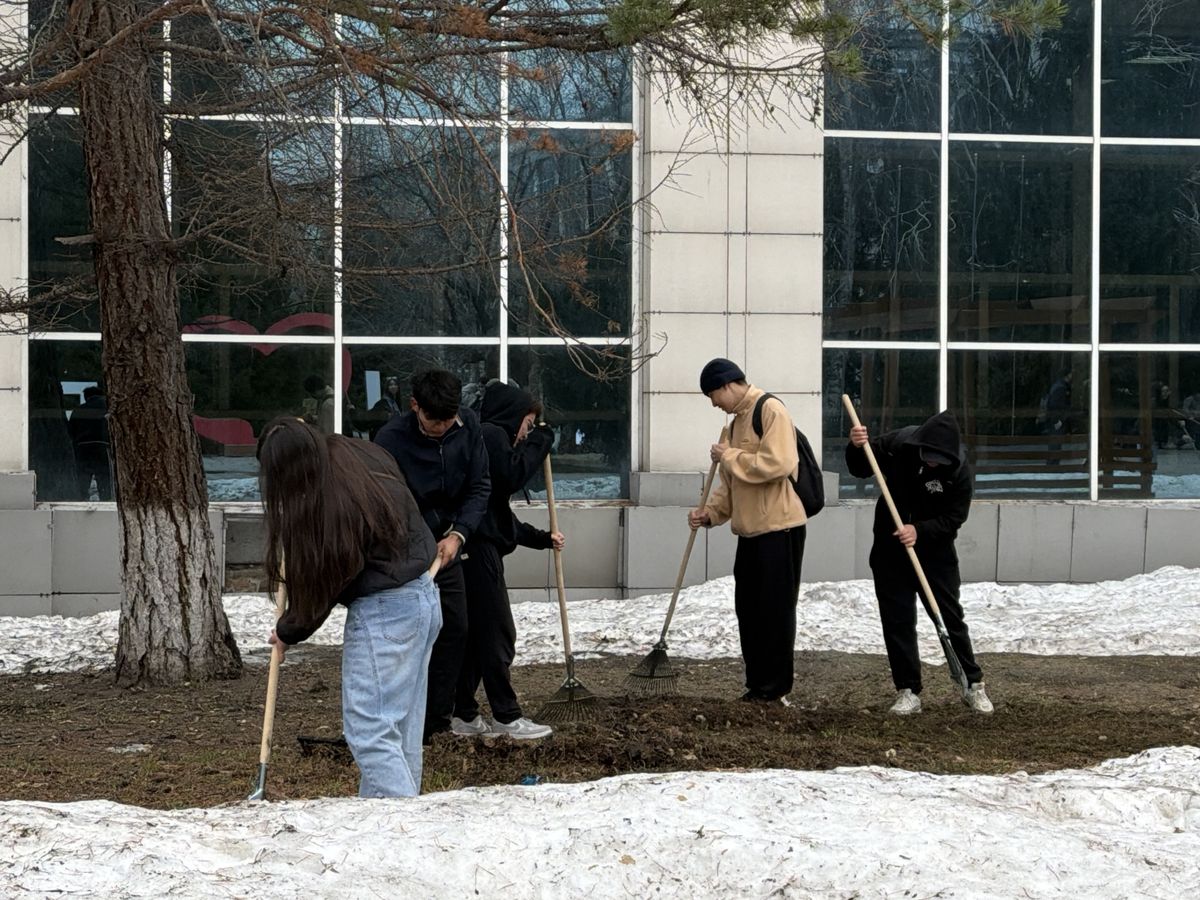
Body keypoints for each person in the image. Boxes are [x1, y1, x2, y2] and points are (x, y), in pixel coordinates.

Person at [258, 417, 441, 797]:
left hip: (386, 614)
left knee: (370, 730)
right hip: (422, 597)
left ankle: (407, 823)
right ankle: (388, 821)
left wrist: (290, 630)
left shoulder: (330, 504)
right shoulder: (357, 453)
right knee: (399, 730)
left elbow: (327, 582)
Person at [845, 410, 993, 716]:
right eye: (928, 458)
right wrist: (856, 447)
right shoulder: (899, 444)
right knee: (897, 620)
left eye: (939, 461)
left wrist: (920, 530)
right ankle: (908, 690)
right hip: (890, 549)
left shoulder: (959, 471)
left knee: (949, 617)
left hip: (935, 554)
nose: (932, 464)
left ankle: (972, 683)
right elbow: (861, 468)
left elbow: (954, 518)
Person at [375, 369, 491, 743]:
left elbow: (479, 486)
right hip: (406, 547)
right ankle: (395, 716)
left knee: (455, 628)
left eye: (447, 420)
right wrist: (420, 541)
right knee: (408, 633)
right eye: (432, 421)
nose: (441, 428)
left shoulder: (468, 427)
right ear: (415, 406)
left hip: (449, 544)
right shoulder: (390, 440)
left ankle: (437, 722)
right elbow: (387, 501)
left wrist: (458, 534)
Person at [687, 358, 806, 705]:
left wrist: (730, 456)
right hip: (750, 531)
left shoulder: (770, 410)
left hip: (779, 528)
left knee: (775, 609)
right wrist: (710, 514)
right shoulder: (734, 425)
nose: (714, 404)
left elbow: (779, 463)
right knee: (749, 610)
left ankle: (775, 688)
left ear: (727, 385)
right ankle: (757, 685)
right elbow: (731, 485)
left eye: (713, 395)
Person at [451, 381, 563, 740]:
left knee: (476, 637)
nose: (526, 433)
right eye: (527, 424)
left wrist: (542, 539)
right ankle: (506, 716)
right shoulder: (492, 434)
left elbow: (499, 517)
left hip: (473, 547)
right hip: (477, 550)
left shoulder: (484, 439)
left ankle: (462, 713)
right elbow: (512, 475)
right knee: (497, 633)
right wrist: (542, 440)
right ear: (514, 416)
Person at [68, 385, 113, 500]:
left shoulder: (78, 410)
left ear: (86, 397)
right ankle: (107, 501)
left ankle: (81, 500)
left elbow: (71, 431)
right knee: (104, 479)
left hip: (82, 447)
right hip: (102, 446)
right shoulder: (107, 409)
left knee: (82, 479)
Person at [367, 376, 402, 441]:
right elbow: (372, 420)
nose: (393, 386)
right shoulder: (382, 403)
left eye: (395, 384)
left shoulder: (396, 403)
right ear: (387, 387)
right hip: (384, 438)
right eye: (390, 385)